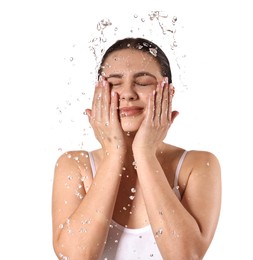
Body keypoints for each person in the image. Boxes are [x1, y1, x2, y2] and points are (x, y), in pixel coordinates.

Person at [52, 37, 222, 260]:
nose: (128, 93)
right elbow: (75, 257)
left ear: (167, 93)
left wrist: (144, 153)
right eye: (114, 82)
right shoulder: (75, 165)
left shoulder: (197, 166)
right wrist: (114, 154)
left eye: (143, 82)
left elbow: (185, 256)